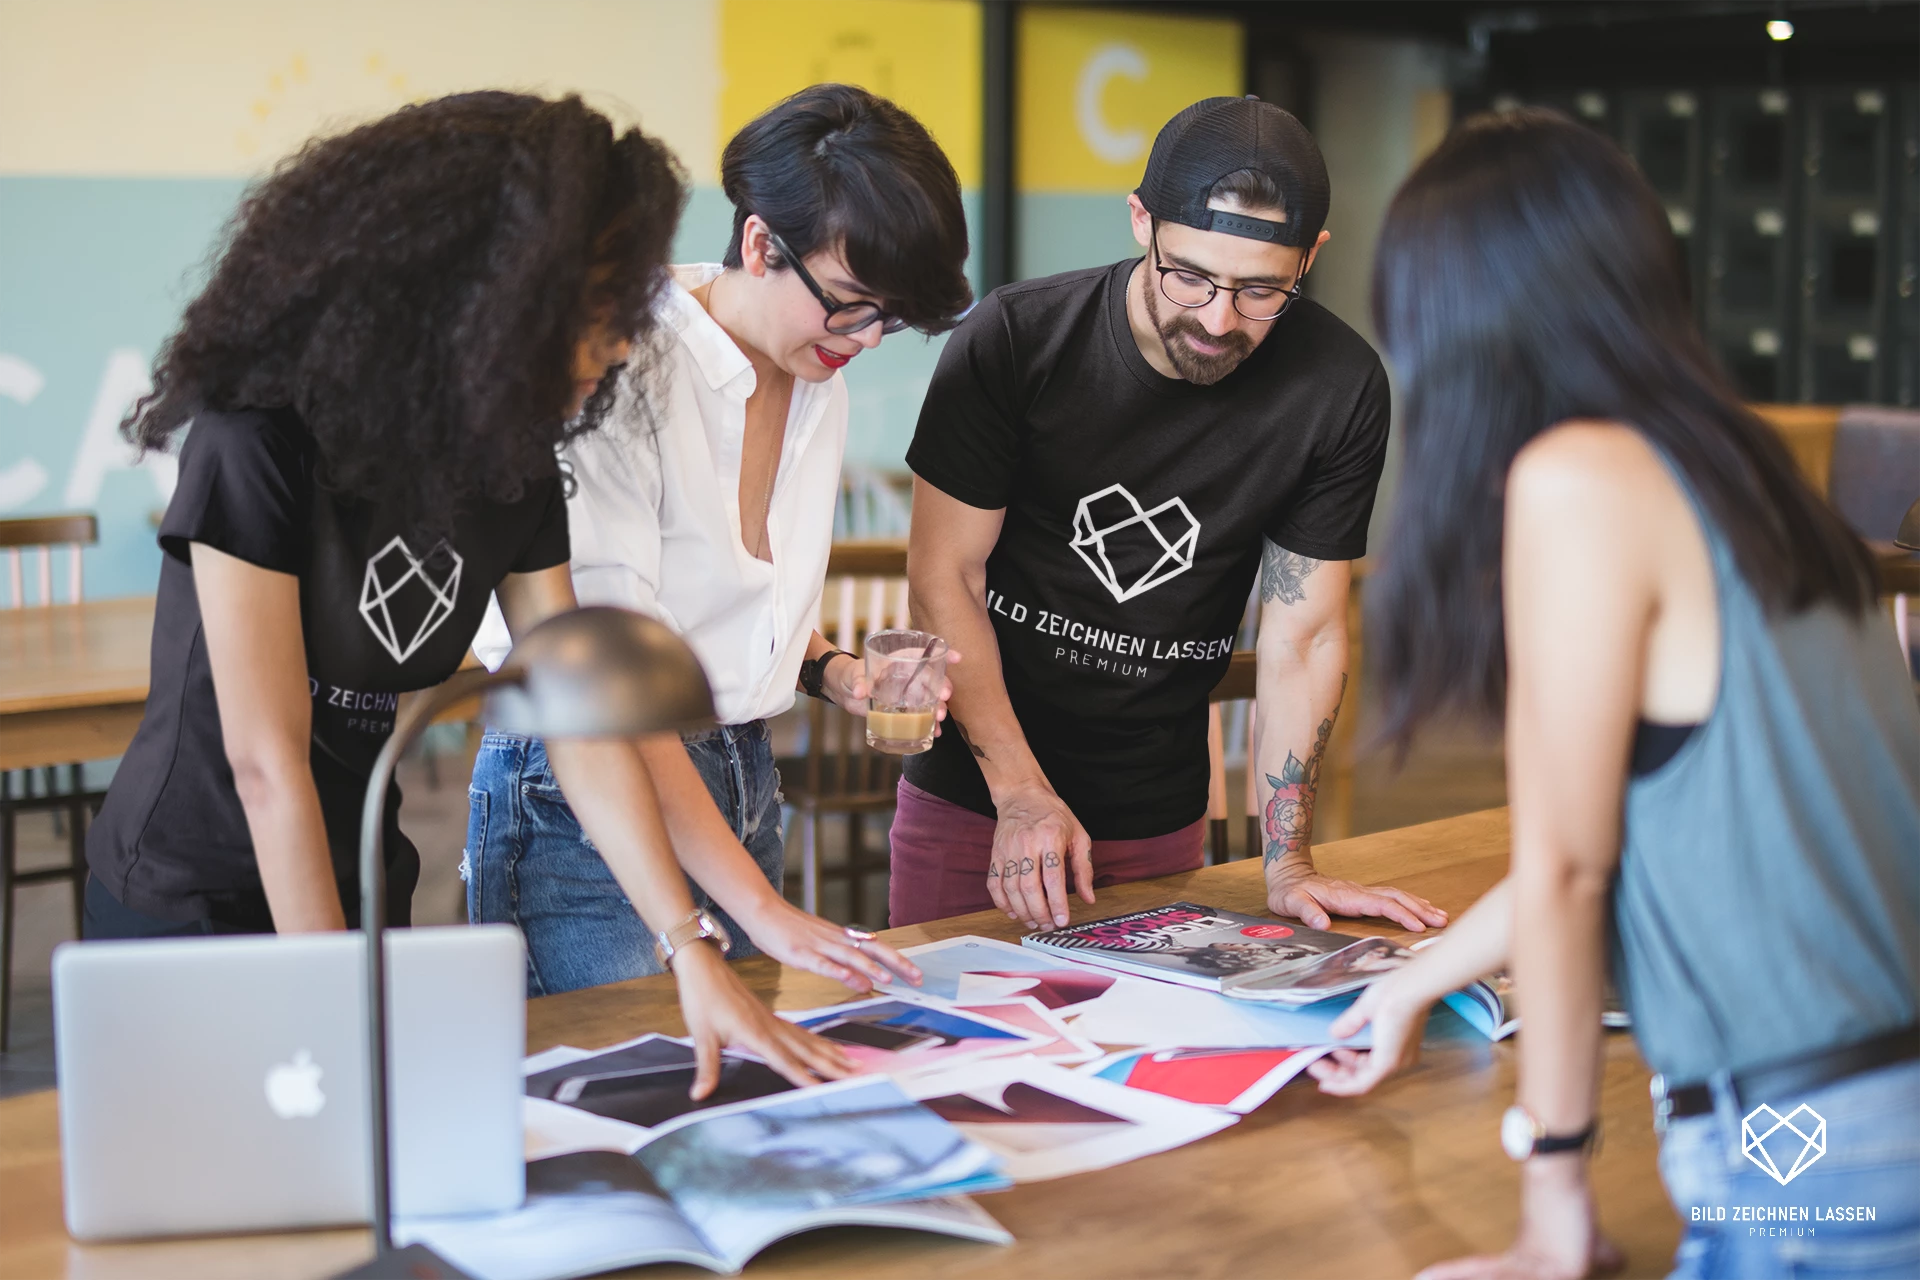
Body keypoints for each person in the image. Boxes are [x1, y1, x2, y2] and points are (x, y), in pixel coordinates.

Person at [87, 92, 851, 1093]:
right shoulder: (259, 440)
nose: (622, 344)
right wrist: (335, 1009)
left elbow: (581, 721)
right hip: (190, 902)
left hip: (358, 872)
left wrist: (690, 946)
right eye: (601, 311)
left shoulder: (514, 463)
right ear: (494, 294)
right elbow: (265, 760)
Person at [1304, 110, 1920, 1280]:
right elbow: (1605, 843)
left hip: (1808, 1146)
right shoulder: (1739, 471)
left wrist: (1553, 1201)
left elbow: (1571, 872)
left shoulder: (1575, 478)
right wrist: (1414, 985)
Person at [894, 95, 1448, 936]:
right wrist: (1020, 796)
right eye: (1188, 275)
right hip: (977, 802)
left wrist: (1287, 859)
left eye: (1264, 289)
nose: (1219, 320)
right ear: (1140, 222)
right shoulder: (1017, 338)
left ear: (1312, 257)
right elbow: (945, 580)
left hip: (1158, 815)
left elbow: (1304, 636)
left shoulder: (1337, 388)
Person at [467, 83, 970, 996]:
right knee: (616, 1094)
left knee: (730, 1097)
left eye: (889, 318)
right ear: (760, 243)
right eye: (852, 302)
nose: (866, 338)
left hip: (741, 767)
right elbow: (613, 684)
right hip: (582, 787)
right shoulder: (621, 368)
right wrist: (766, 911)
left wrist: (836, 673)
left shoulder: (817, 371)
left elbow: (728, 603)